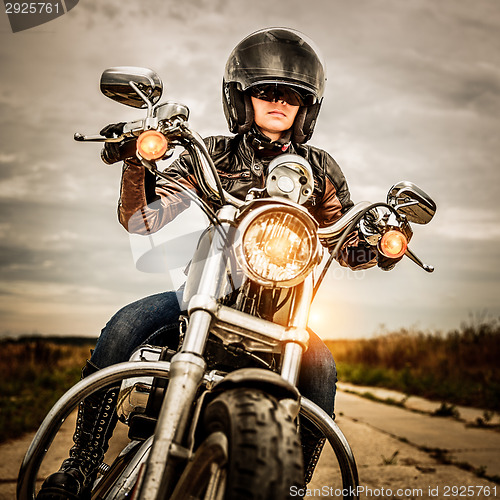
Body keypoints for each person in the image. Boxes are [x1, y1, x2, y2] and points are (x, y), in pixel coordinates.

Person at [38, 27, 384, 499]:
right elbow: (142, 220)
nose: (279, 101)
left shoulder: (320, 169)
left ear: (308, 106)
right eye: (266, 91)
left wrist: (375, 241)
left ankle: (290, 483)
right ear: (242, 97)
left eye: (293, 95)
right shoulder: (212, 152)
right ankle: (81, 465)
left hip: (283, 313)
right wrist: (137, 159)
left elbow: (343, 238)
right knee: (124, 325)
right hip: (202, 294)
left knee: (321, 368)